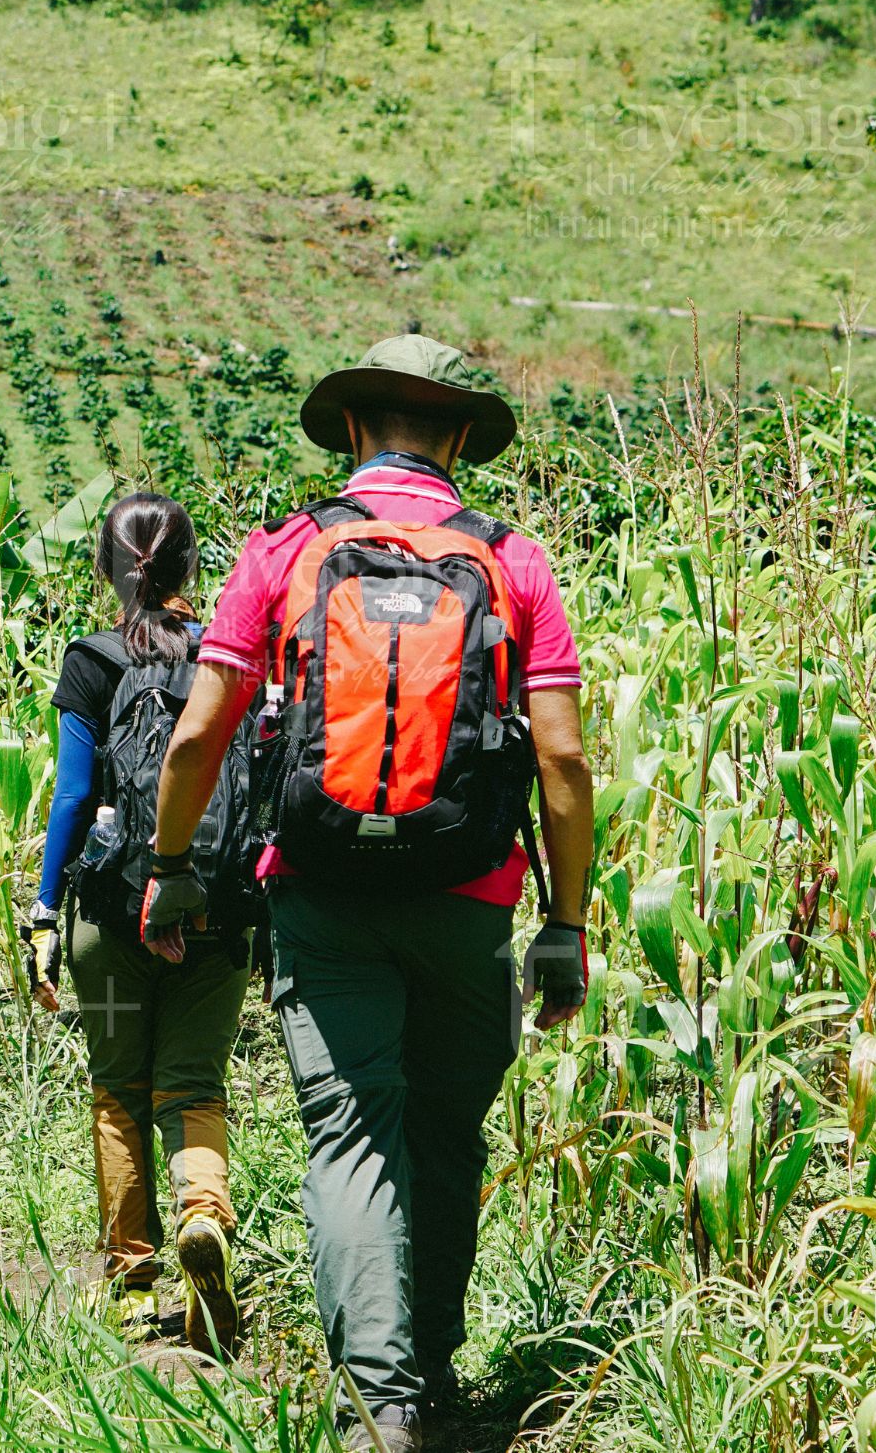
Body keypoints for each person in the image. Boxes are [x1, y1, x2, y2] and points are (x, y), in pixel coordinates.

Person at [143, 336, 594, 1453]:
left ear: (350, 432)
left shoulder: (287, 549)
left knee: (351, 1133)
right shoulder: (513, 564)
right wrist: (566, 926)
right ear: (456, 441)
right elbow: (564, 764)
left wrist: (170, 868)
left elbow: (201, 729)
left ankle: (379, 1402)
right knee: (447, 1131)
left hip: (320, 889)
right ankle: (430, 1368)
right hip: (473, 893)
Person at [21, 493, 250, 1351]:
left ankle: (131, 1279)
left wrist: (45, 910)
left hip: (110, 921)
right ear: (191, 565)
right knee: (192, 1085)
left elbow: (75, 795)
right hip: (213, 912)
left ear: (106, 568)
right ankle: (205, 1217)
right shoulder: (228, 656)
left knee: (118, 1090)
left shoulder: (93, 659)